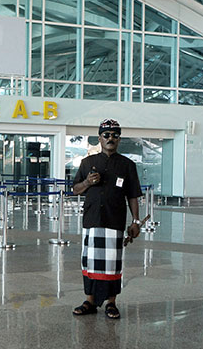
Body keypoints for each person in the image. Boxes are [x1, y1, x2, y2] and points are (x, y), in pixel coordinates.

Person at [71, 119, 143, 319]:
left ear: (119, 139)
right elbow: (75, 189)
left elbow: (133, 196)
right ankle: (90, 301)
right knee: (89, 262)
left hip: (114, 220)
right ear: (100, 138)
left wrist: (136, 222)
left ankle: (111, 302)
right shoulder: (87, 163)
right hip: (92, 220)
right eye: (107, 135)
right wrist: (87, 182)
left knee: (112, 264)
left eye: (115, 135)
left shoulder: (127, 165)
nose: (111, 138)